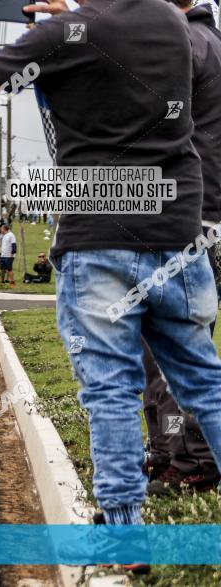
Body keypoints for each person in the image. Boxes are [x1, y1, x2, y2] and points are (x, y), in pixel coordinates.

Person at [0, 0, 221, 534]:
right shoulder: (174, 24)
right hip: (178, 232)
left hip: (99, 236)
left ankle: (124, 529)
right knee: (204, 380)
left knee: (110, 390)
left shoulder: (61, 36)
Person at [140, 0, 221, 497]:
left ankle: (194, 460)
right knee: (158, 347)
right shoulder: (202, 39)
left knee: (174, 350)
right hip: (188, 214)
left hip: (183, 218)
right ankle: (169, 451)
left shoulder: (186, 43)